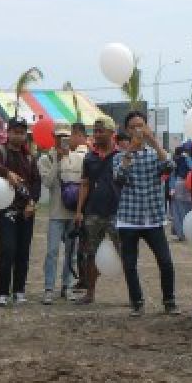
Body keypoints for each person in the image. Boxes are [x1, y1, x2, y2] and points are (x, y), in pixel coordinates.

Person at [112, 110, 178, 316]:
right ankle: (137, 302)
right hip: (129, 218)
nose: (138, 130)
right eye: (133, 127)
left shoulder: (154, 153)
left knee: (165, 262)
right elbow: (119, 178)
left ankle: (169, 301)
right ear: (127, 130)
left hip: (153, 217)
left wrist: (155, 143)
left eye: (141, 125)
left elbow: (169, 166)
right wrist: (130, 151)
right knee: (130, 264)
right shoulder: (121, 157)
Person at [0, 117, 41, 306]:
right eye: (15, 132)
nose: (19, 136)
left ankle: (19, 290)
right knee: (7, 250)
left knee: (23, 252)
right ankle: (2, 292)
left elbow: (36, 183)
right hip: (5, 210)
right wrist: (6, 173)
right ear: (8, 133)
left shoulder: (30, 157)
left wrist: (32, 202)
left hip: (26, 211)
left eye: (22, 132)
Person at [72, 116, 119, 305]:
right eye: (95, 131)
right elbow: (85, 184)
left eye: (101, 131)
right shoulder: (89, 157)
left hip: (117, 211)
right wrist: (78, 210)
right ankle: (90, 292)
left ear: (111, 133)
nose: (97, 135)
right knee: (90, 253)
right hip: (93, 211)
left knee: (124, 251)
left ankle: (134, 292)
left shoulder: (120, 156)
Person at [38, 124, 84, 303]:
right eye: (59, 137)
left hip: (72, 213)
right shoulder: (45, 159)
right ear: (53, 137)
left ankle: (68, 286)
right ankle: (49, 288)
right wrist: (57, 161)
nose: (62, 140)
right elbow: (48, 183)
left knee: (71, 253)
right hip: (56, 213)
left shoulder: (79, 158)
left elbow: (82, 183)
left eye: (65, 137)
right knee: (52, 251)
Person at [169, 140, 192, 240]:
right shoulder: (181, 159)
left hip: (187, 187)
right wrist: (172, 188)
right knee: (181, 211)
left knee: (186, 211)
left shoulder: (191, 158)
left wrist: (188, 158)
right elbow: (174, 173)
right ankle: (182, 233)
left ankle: (186, 233)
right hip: (182, 186)